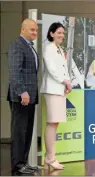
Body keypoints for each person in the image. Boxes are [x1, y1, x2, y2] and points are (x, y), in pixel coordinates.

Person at [7, 19, 39, 174]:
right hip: (21, 97)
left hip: (30, 97)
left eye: (36, 30)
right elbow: (14, 72)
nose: (35, 32)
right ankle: (18, 166)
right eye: (32, 30)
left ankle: (23, 163)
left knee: (26, 131)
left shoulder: (29, 46)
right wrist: (22, 91)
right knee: (19, 132)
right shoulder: (17, 45)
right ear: (23, 29)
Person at [40, 22, 72, 170]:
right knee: (52, 123)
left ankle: (50, 157)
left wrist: (67, 84)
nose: (62, 35)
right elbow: (52, 69)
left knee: (55, 123)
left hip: (58, 89)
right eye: (59, 32)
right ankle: (50, 158)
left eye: (63, 33)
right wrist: (64, 81)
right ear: (51, 33)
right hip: (52, 89)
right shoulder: (48, 48)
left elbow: (63, 69)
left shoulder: (59, 49)